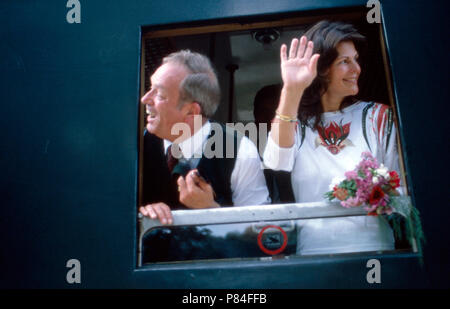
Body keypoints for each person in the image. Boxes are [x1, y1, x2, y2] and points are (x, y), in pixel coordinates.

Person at [263, 21, 399, 255]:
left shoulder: (377, 117)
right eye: (345, 62)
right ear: (322, 68)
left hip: (376, 250)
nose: (356, 68)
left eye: (355, 59)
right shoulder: (295, 122)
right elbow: (275, 161)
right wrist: (292, 89)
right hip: (315, 254)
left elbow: (402, 191)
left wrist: (379, 195)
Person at [140, 50, 270, 225]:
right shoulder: (134, 145)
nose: (145, 99)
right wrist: (139, 213)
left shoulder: (240, 151)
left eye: (160, 95)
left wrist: (211, 211)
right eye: (150, 88)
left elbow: (260, 230)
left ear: (191, 112)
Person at [253, 84, 295, 203]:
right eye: (264, 112)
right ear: (255, 116)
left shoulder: (303, 150)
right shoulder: (246, 152)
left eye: (277, 113)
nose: (271, 119)